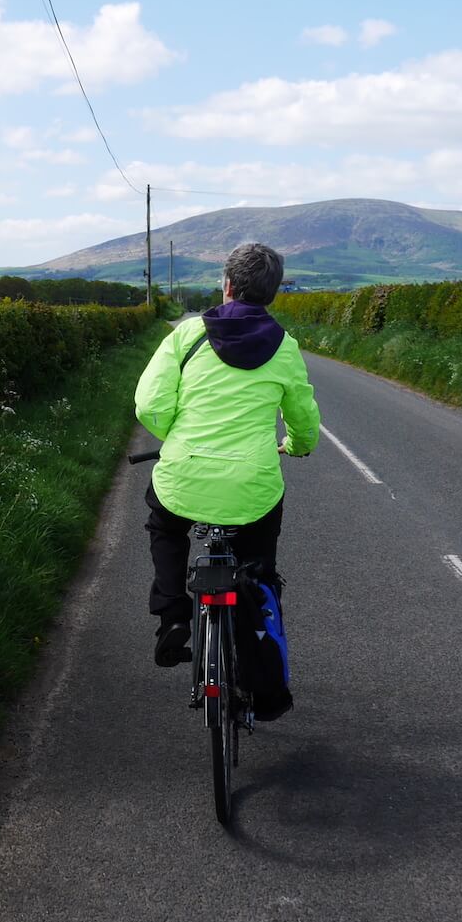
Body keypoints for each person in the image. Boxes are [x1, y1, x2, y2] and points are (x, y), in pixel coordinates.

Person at [134, 241, 320, 667]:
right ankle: (257, 655)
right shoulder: (284, 346)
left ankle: (173, 616)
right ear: (272, 293)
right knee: (258, 566)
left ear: (228, 285)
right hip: (252, 486)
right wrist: (296, 446)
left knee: (164, 525)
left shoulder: (187, 334)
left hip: (184, 473)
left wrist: (176, 437)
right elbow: (303, 418)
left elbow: (150, 405)